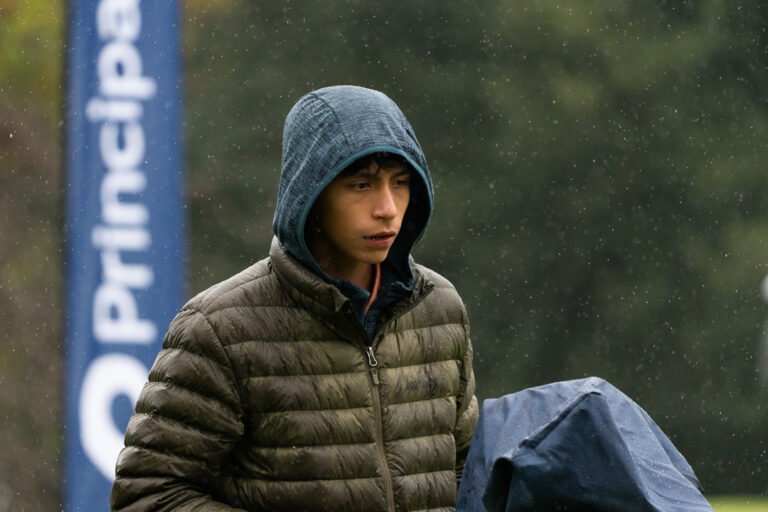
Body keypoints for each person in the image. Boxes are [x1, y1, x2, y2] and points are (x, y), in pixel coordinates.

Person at [110, 85, 478, 511]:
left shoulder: (439, 308)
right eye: (361, 185)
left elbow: (468, 475)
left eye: (401, 183)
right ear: (311, 193)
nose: (388, 208)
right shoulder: (219, 329)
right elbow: (149, 494)